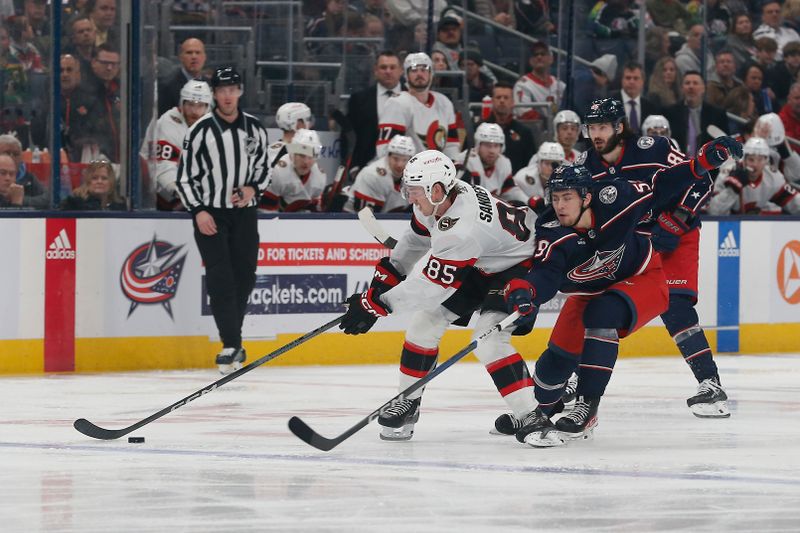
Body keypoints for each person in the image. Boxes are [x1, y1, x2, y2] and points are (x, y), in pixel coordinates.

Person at [502, 138, 741, 446]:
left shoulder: (616, 200)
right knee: (554, 364)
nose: (560, 206)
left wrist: (702, 163)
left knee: (602, 316)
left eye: (568, 197)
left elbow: (663, 184)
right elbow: (547, 274)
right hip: (592, 288)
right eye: (556, 197)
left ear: (586, 196)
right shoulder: (552, 230)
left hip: (643, 277)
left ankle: (586, 408)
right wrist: (528, 293)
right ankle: (540, 411)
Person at [338, 149, 539, 441]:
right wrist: (385, 279)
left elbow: (430, 287)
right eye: (409, 190)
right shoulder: (437, 201)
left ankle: (531, 415)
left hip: (519, 266)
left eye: (415, 192)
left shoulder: (461, 228)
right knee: (424, 324)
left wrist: (377, 305)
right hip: (483, 260)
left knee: (488, 339)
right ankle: (408, 402)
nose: (410, 199)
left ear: (436, 189)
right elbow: (414, 241)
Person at [580, 98, 731, 419]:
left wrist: (678, 217)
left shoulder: (653, 148)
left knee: (676, 305)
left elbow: (700, 178)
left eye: (603, 126)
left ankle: (710, 383)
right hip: (635, 240)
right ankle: (578, 382)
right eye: (592, 127)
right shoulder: (586, 165)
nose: (597, 134)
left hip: (677, 234)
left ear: (619, 127)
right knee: (600, 305)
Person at [175, 66, 271, 375]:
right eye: (222, 90)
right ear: (214, 94)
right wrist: (198, 211)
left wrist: (252, 188)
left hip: (245, 213)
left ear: (240, 91)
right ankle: (231, 343)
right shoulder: (200, 130)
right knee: (221, 278)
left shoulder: (255, 128)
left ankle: (234, 340)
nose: (227, 95)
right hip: (211, 214)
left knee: (244, 276)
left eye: (232, 89)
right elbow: (185, 178)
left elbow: (264, 169)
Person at [142, 80, 212, 211]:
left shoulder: (212, 126)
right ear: (182, 103)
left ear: (207, 107)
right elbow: (163, 168)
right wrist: (184, 193)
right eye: (190, 105)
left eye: (200, 106)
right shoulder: (167, 123)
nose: (195, 111)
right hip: (160, 196)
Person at [376, 52, 459, 159]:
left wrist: (452, 167)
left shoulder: (444, 102)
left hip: (438, 171)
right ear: (406, 75)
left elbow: (451, 145)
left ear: (431, 73)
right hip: (408, 172)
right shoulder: (397, 103)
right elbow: (385, 150)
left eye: (424, 69)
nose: (419, 74)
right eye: (414, 70)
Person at [707, 137, 800, 215]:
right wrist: (732, 190)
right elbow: (714, 212)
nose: (755, 164)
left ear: (766, 162)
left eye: (760, 160)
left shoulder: (774, 177)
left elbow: (795, 203)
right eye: (751, 159)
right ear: (744, 160)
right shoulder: (726, 174)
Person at [346, 50, 403, 172]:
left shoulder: (412, 97)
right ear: (375, 71)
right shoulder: (359, 100)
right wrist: (353, 167)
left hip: (405, 166)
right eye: (383, 67)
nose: (388, 71)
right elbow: (350, 136)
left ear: (401, 71)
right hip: (366, 168)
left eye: (392, 67)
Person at [342, 134, 415, 213]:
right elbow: (367, 218)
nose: (399, 164)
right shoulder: (373, 175)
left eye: (404, 160)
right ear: (388, 156)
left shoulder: (414, 174)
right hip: (352, 221)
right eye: (395, 158)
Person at [457, 122, 527, 204]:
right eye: (487, 145)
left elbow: (511, 191)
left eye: (496, 146)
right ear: (478, 145)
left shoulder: (503, 163)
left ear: (502, 148)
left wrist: (529, 201)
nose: (492, 151)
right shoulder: (465, 162)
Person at [664, 71, 729, 157]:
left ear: (703, 88)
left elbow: (724, 143)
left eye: (695, 83)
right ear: (682, 88)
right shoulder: (669, 113)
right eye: (687, 83)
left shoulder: (717, 114)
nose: (691, 86)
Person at [477, 81, 536, 173]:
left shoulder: (524, 133)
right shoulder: (477, 129)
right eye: (498, 97)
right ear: (492, 101)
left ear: (513, 102)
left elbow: (531, 166)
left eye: (506, 98)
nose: (502, 101)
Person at [262, 129, 327, 212]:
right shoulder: (277, 173)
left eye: (310, 157)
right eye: (302, 155)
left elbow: (315, 212)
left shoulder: (319, 177)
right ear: (292, 155)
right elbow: (265, 213)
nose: (306, 162)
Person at [513, 41, 566, 120]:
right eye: (535, 55)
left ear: (551, 59)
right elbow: (525, 114)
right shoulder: (522, 85)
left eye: (543, 54)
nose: (539, 57)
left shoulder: (559, 84)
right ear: (530, 61)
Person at [158, 38, 207, 115]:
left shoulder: (211, 84)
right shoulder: (167, 86)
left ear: (204, 57)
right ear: (181, 57)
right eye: (189, 52)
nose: (194, 56)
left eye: (198, 52)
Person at [611, 61, 661, 135]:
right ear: (622, 80)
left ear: (642, 81)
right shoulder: (610, 104)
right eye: (628, 78)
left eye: (636, 78)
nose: (631, 82)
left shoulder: (650, 107)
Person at [0, 134, 47, 208]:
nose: (12, 157)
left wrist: (20, 199)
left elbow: (47, 200)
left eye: (16, 154)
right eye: (7, 153)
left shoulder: (28, 177)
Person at [61, 159, 126, 210]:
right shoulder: (74, 204)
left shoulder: (120, 206)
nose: (99, 181)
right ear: (87, 181)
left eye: (104, 178)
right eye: (94, 178)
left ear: (111, 182)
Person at [269, 102, 312, 168]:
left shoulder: (271, 149)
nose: (310, 125)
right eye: (307, 119)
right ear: (298, 123)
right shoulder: (297, 153)